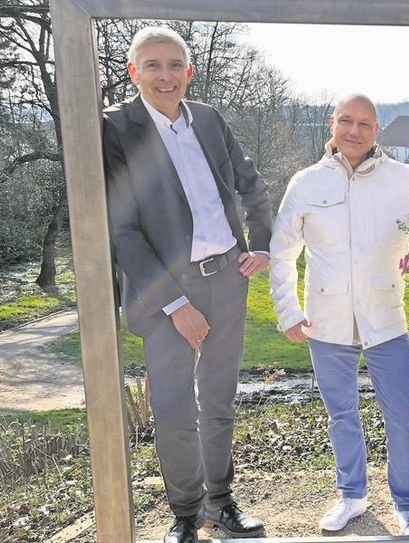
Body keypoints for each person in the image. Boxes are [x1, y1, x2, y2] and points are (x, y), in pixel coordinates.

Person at [103, 27, 271, 543]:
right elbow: (121, 230)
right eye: (153, 65)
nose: (165, 76)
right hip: (165, 294)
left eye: (175, 65)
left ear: (189, 72)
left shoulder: (210, 119)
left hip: (228, 279)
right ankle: (185, 515)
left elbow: (251, 184)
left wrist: (261, 243)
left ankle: (220, 502)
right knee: (174, 409)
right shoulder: (114, 128)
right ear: (133, 72)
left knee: (218, 399)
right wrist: (175, 303)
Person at [269, 94, 409, 535]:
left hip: (386, 318)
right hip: (327, 320)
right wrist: (288, 311)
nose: (354, 131)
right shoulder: (305, 183)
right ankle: (352, 496)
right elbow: (282, 253)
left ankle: (407, 505)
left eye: (364, 123)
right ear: (332, 123)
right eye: (346, 121)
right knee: (341, 414)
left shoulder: (404, 180)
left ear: (377, 129)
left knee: (402, 415)